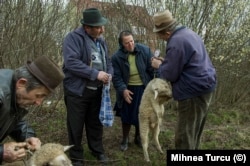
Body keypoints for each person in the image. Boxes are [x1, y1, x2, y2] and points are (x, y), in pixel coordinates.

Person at [151, 9, 217, 149]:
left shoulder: (176, 42)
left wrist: (159, 66)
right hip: (205, 86)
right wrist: (167, 62)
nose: (161, 39)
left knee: (184, 137)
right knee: (194, 132)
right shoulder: (189, 33)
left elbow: (169, 75)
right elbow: (186, 62)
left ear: (167, 32)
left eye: (161, 36)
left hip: (192, 92)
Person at [62, 8, 113, 165]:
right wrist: (95, 74)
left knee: (95, 123)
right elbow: (71, 62)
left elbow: (108, 61)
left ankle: (97, 150)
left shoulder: (101, 40)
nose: (101, 29)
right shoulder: (72, 38)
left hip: (97, 91)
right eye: (97, 27)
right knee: (75, 125)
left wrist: (109, 74)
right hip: (78, 91)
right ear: (87, 27)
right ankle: (77, 157)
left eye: (101, 26)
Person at [0, 56, 64, 164]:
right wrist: (2, 152)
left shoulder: (13, 89)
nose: (38, 103)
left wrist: (29, 136)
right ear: (22, 83)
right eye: (39, 95)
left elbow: (12, 118)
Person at [112, 30, 156, 151]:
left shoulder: (145, 50)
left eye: (132, 41)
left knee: (141, 115)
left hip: (143, 88)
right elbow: (116, 77)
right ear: (122, 44)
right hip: (128, 88)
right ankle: (125, 139)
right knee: (126, 116)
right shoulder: (116, 57)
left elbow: (151, 70)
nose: (130, 44)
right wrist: (123, 90)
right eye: (127, 43)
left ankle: (138, 137)